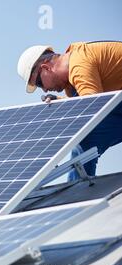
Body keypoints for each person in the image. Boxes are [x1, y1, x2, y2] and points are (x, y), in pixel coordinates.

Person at [17, 41, 122, 180]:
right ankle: (81, 191)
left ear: (46, 67)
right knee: (86, 142)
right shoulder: (71, 82)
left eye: (39, 83)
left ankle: (80, 191)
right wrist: (62, 103)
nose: (44, 90)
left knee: (84, 136)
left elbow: (94, 107)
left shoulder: (79, 64)